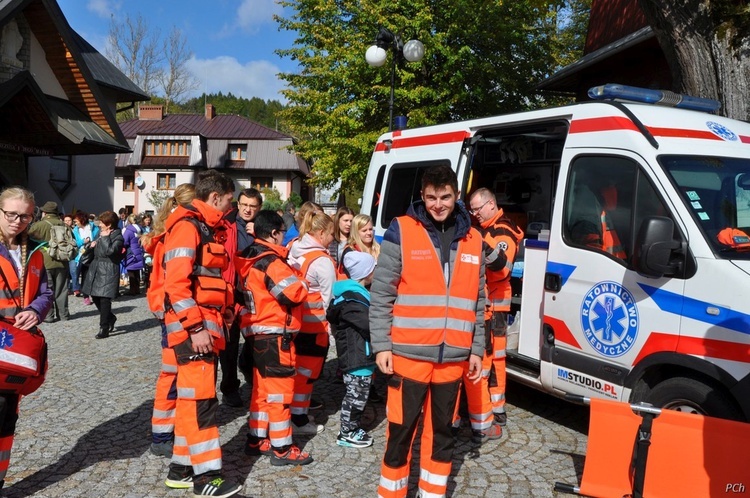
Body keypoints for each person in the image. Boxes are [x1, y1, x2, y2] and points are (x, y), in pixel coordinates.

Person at [370, 164, 486, 498]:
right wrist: (381, 346)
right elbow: (382, 294)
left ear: (456, 195)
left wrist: (476, 349)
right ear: (422, 195)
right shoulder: (401, 230)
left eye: (445, 197)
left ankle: (432, 492)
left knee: (444, 432)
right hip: (408, 357)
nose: (438, 204)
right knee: (401, 430)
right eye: (432, 197)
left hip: (453, 359)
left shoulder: (473, 238)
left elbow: (479, 301)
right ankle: (391, 493)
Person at [161, 170, 241, 497]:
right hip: (193, 330)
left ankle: (181, 469)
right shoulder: (188, 228)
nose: (230, 208)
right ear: (214, 198)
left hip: (204, 327)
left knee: (191, 402)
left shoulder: (205, 228)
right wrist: (195, 327)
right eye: (228, 201)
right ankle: (206, 477)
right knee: (202, 404)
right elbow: (176, 285)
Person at [235, 210, 314, 465]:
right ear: (273, 233)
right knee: (279, 395)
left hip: (256, 334)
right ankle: (282, 448)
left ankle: (257, 439)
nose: (283, 237)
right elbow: (294, 294)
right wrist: (301, 278)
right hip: (276, 335)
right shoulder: (271, 262)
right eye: (282, 232)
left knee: (261, 392)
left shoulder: (247, 259)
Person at [0, 187, 53, 492]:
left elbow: (45, 294)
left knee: (7, 420)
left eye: (25, 216)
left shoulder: (34, 250)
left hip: (14, 351)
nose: (18, 221)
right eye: (11, 214)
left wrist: (35, 311)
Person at [141, 184, 196, 458]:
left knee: (172, 372)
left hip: (166, 308)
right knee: (172, 373)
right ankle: (162, 433)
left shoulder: (165, 231)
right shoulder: (177, 232)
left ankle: (167, 429)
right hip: (173, 310)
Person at [467, 188, 524, 438]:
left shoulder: (501, 231)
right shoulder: (493, 227)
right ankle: (497, 406)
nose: (475, 214)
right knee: (496, 359)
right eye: (472, 210)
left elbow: (501, 270)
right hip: (495, 302)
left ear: (491, 204)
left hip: (494, 303)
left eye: (477, 209)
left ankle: (488, 411)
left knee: (488, 360)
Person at [287, 211, 336, 435]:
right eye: (331, 234)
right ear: (321, 232)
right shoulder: (322, 262)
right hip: (315, 327)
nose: (333, 239)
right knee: (306, 376)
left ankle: (293, 413)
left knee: (296, 372)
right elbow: (329, 300)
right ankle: (298, 419)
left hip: (294, 324)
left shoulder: (293, 248)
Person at [327, 250, 377, 448]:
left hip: (359, 354)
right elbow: (368, 325)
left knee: (359, 394)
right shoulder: (353, 300)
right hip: (357, 356)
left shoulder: (355, 295)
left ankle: (352, 426)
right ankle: (347, 431)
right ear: (366, 272)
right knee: (356, 396)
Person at [219, 188, 262, 408]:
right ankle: (229, 388)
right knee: (229, 343)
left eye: (252, 206)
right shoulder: (226, 224)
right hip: (230, 290)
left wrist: (259, 233)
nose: (247, 209)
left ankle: (246, 366)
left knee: (255, 339)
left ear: (259, 208)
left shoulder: (263, 227)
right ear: (238, 204)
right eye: (244, 204)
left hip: (254, 293)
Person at [81, 211, 124, 339]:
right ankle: (110, 317)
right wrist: (90, 245)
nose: (99, 224)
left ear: (109, 224)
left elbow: (110, 252)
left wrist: (105, 238)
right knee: (95, 296)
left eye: (102, 222)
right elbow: (93, 248)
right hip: (96, 268)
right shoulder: (100, 234)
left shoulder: (118, 237)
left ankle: (103, 327)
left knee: (105, 299)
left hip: (109, 269)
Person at [28, 201, 70, 322]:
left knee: (47, 289)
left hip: (44, 261)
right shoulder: (64, 225)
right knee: (62, 289)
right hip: (62, 260)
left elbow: (28, 240)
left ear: (45, 212)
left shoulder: (39, 225)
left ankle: (48, 315)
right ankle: (64, 315)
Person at [72, 212, 99, 305]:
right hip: (82, 255)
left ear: (81, 219)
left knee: (95, 276)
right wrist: (83, 241)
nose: (75, 222)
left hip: (94, 253)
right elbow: (76, 243)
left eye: (76, 220)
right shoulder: (75, 230)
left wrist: (93, 242)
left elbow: (98, 237)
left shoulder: (93, 227)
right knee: (84, 275)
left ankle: (96, 295)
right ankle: (86, 296)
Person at [122, 213, 145, 295]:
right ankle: (137, 289)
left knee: (131, 271)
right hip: (139, 252)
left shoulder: (129, 231)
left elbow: (124, 242)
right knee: (137, 271)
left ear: (129, 221)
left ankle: (132, 290)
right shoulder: (140, 229)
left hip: (131, 252)